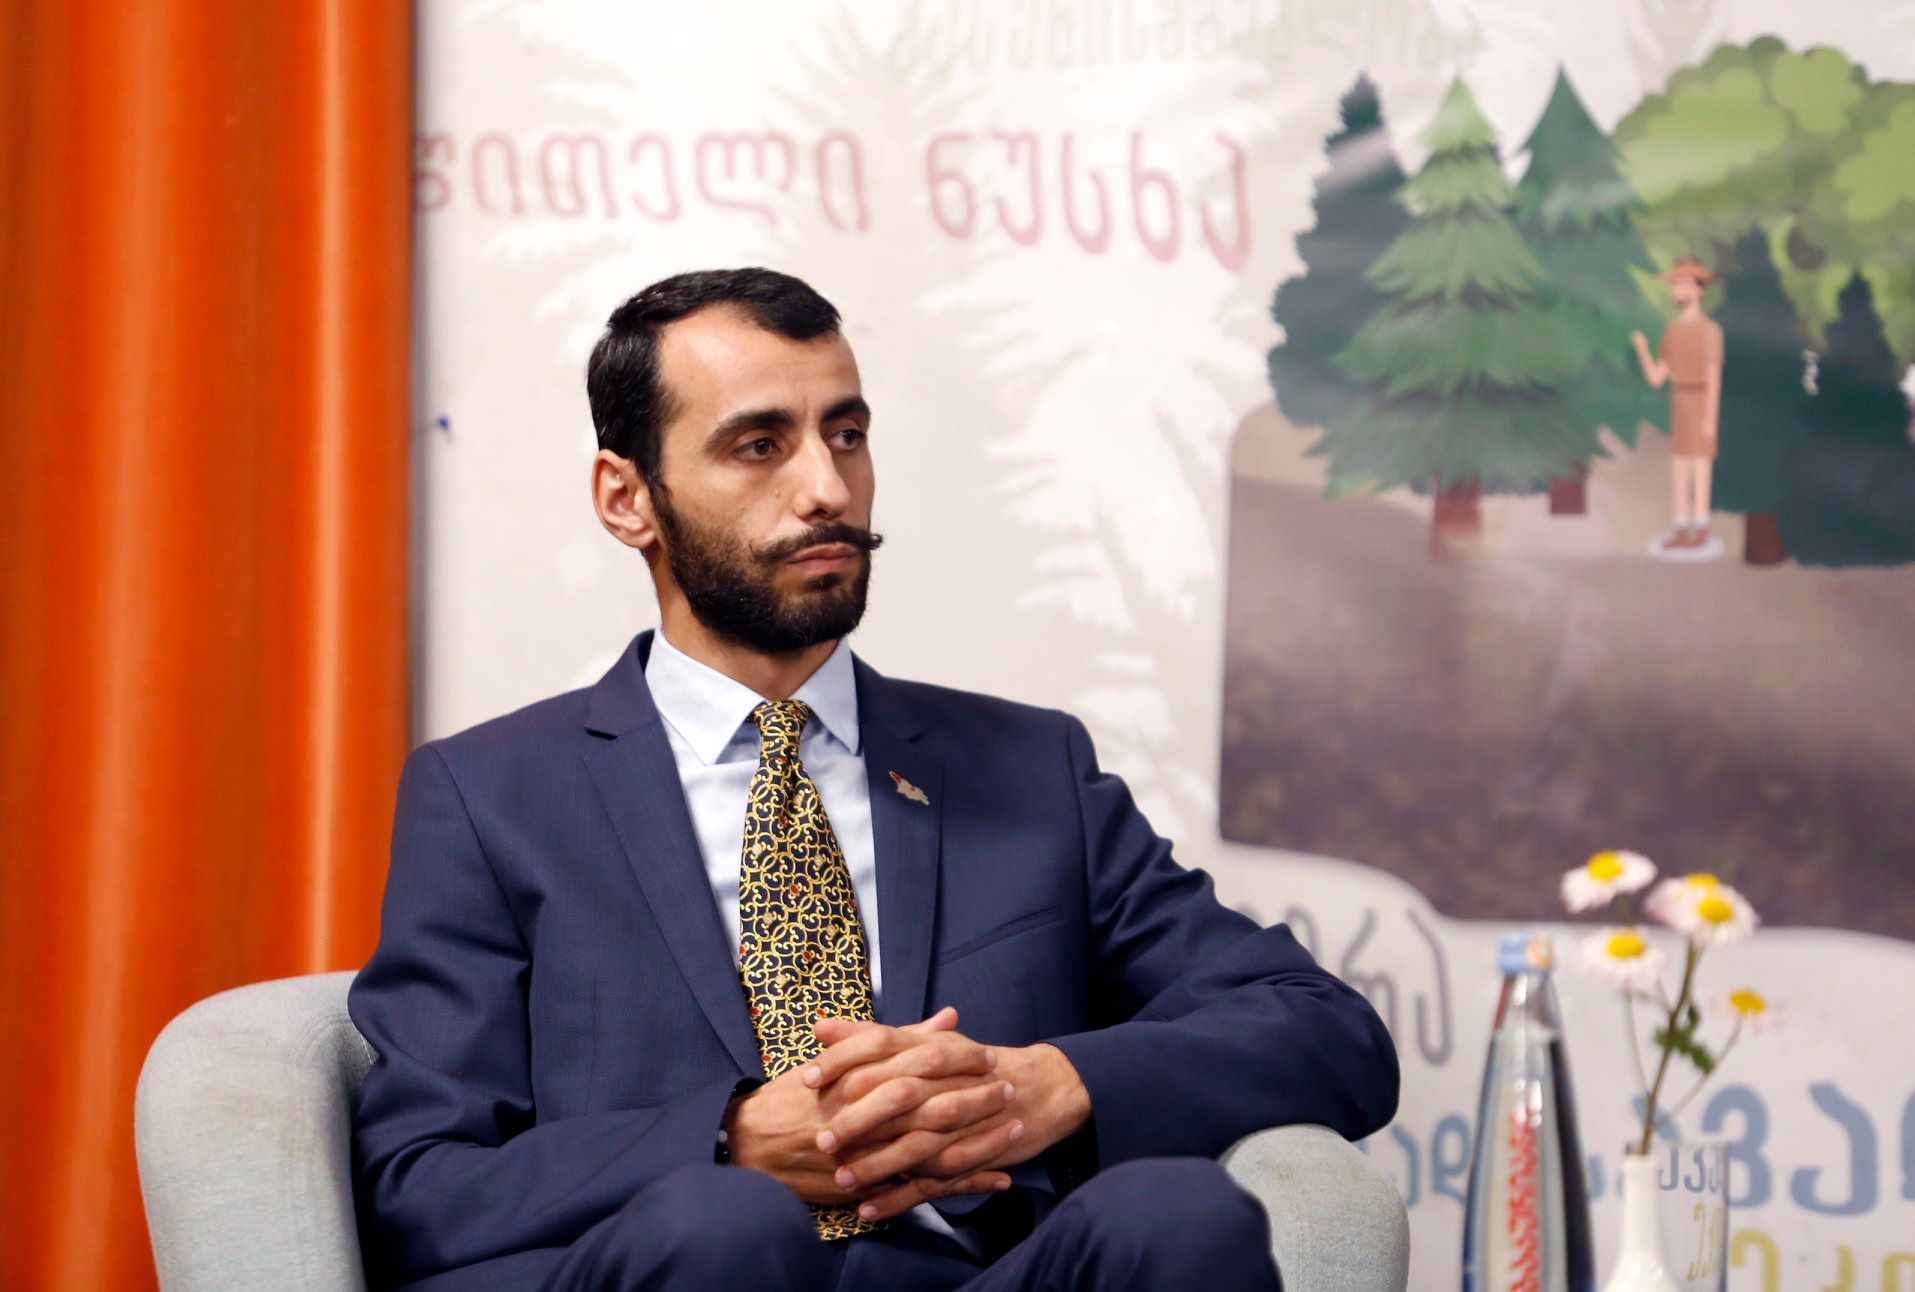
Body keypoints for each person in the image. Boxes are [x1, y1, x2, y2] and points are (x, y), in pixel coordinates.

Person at [347, 267, 1400, 1291]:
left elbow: (1325, 1030)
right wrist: (726, 1140)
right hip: (704, 1264)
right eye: (759, 446)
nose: (826, 489)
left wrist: (1056, 1081)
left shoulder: (1030, 771)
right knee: (720, 1223)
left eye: (845, 435)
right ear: (628, 499)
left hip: (982, 1268)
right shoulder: (490, 798)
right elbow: (421, 1190)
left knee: (1178, 1212)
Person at [1631, 256, 1725, 553]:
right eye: (1676, 285)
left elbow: (1714, 377)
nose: (1679, 291)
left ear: (1699, 289)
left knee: (1701, 469)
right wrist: (1642, 351)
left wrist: (1710, 420)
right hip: (1679, 403)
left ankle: (1701, 530)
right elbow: (1656, 378)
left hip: (1701, 401)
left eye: (1685, 285)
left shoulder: (1710, 331)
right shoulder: (1671, 332)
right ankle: (1682, 530)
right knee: (1680, 468)